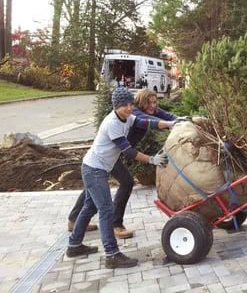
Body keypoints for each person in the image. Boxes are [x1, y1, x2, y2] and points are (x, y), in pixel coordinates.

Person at [66, 87, 175, 269]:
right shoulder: (112, 124)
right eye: (124, 105)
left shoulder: (128, 116)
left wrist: (171, 124)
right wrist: (152, 160)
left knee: (89, 206)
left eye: (130, 104)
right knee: (106, 210)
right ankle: (112, 255)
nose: (129, 108)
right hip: (94, 169)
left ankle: (74, 246)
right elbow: (129, 151)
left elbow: (147, 123)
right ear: (116, 106)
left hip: (99, 167)